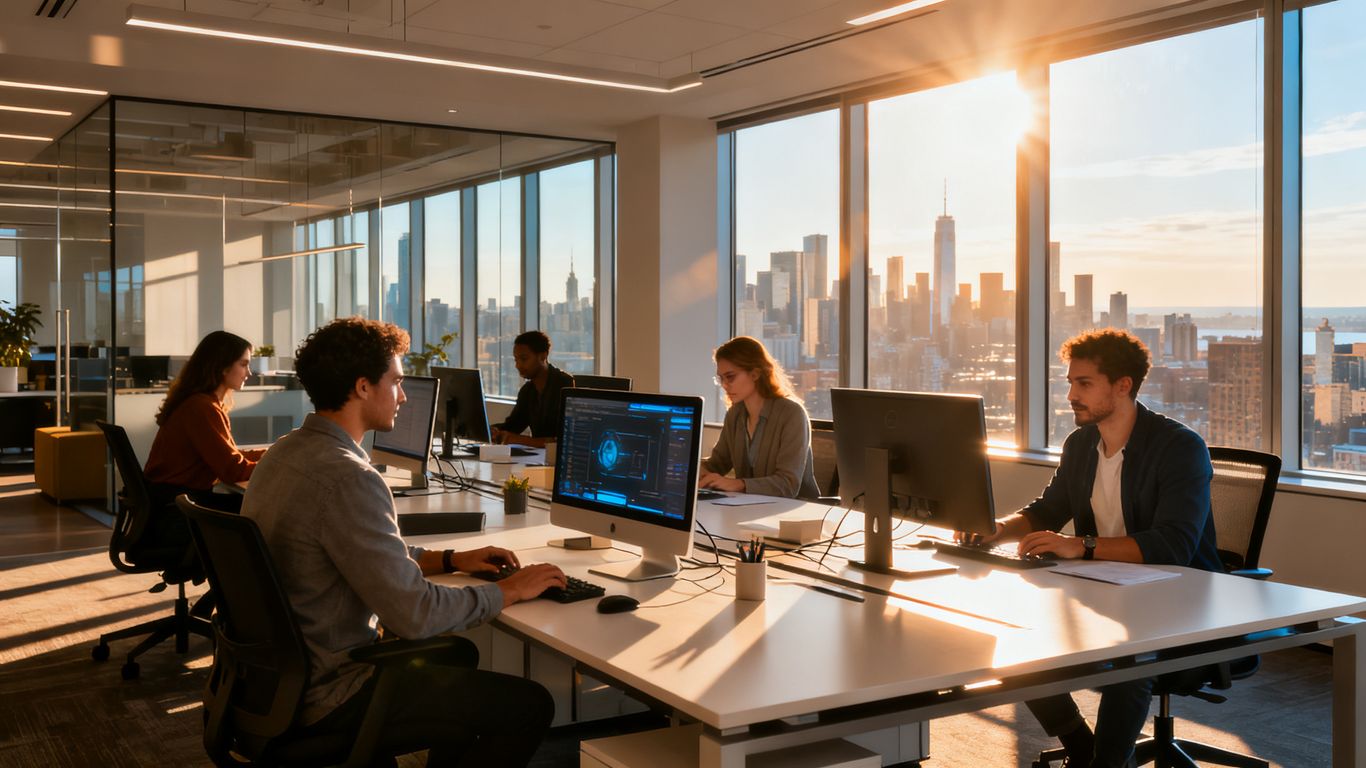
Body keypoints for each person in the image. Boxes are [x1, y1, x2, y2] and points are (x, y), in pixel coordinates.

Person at [242, 317, 565, 767]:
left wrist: (450, 558)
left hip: (275, 681)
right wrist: (510, 589)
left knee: (458, 654)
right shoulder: (349, 478)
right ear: (362, 387)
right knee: (529, 706)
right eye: (395, 381)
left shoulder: (285, 453)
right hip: (332, 691)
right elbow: (414, 614)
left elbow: (362, 551)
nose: (403, 395)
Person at [961, 329, 1219, 768]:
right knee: (1018, 640)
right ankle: (1081, 746)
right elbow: (1049, 509)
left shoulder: (1179, 448)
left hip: (1178, 601)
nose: (1070, 395)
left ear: (1123, 385)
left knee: (1128, 664)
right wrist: (997, 529)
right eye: (1069, 383)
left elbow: (1174, 545)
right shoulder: (1081, 444)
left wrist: (1079, 545)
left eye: (1083, 384)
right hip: (1105, 591)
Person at [143, 330, 263, 511]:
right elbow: (233, 471)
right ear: (223, 367)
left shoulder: (199, 403)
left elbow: (229, 457)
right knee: (262, 509)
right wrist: (277, 465)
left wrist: (275, 453)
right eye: (243, 364)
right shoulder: (201, 408)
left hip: (172, 499)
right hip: (179, 507)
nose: (249, 373)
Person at [699, 336, 820, 499]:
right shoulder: (735, 414)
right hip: (750, 507)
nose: (724, 385)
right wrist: (688, 469)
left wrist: (737, 484)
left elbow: (787, 485)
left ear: (755, 374)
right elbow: (717, 463)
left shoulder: (792, 414)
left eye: (730, 377)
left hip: (792, 513)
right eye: (721, 379)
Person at [490, 330, 575, 448]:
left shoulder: (565, 385)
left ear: (543, 356)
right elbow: (513, 426)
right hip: (538, 459)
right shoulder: (528, 390)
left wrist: (517, 439)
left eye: (524, 359)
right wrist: (493, 430)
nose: (518, 365)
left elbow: (564, 440)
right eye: (516, 359)